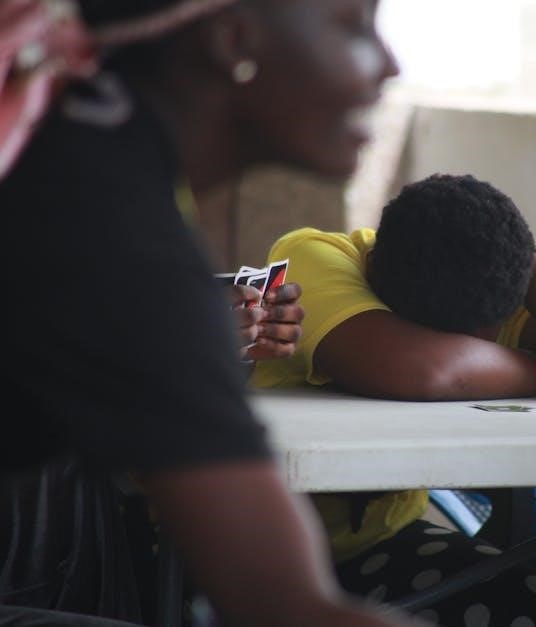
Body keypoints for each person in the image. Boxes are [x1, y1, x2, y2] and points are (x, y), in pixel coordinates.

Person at [0, 0, 425, 625]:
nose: (389, 65)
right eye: (355, 26)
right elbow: (284, 604)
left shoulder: (74, 148)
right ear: (234, 40)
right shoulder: (110, 231)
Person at [251, 172, 536, 626]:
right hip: (253, 552)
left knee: (518, 601)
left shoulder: (484, 277)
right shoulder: (313, 256)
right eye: (471, 352)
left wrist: (526, 259)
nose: (475, 362)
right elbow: (426, 370)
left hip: (378, 545)